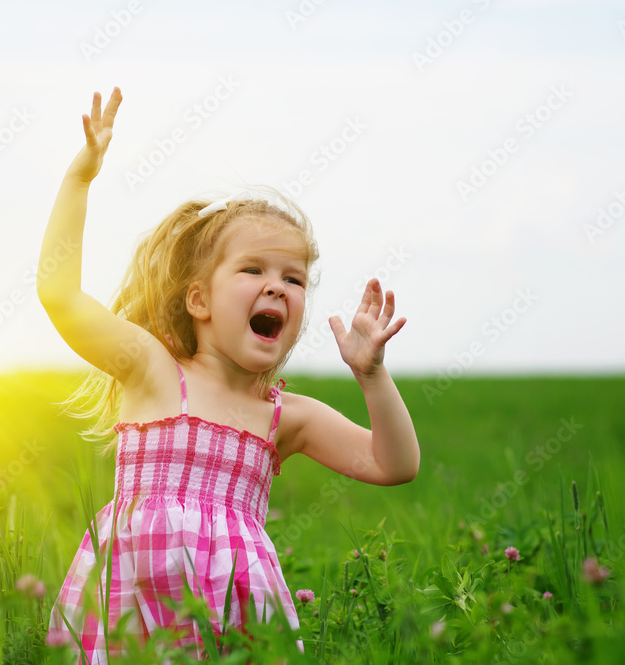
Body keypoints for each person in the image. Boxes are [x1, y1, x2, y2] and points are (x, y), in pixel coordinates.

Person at [37, 86, 421, 662]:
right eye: (252, 269)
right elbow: (60, 295)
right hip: (133, 614)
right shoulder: (153, 371)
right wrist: (80, 178)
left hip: (234, 622)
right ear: (199, 300)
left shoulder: (286, 417)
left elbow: (396, 465)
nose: (277, 286)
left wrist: (372, 375)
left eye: (293, 279)